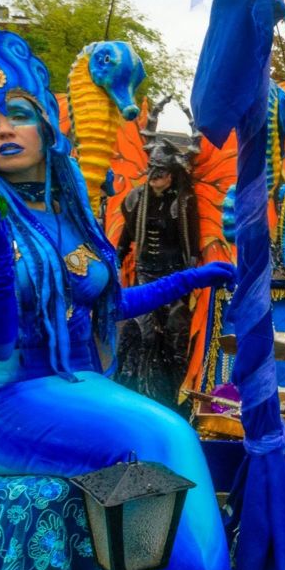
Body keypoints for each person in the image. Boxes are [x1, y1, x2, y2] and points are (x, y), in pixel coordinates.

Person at [0, 24, 236, 570]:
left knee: (172, 429)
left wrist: (195, 278)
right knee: (158, 434)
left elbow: (110, 303)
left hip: (66, 385)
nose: (5, 129)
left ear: (47, 126)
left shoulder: (69, 212)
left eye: (19, 113)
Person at [115, 136, 200, 405]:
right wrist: (117, 254)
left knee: (175, 331)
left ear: (172, 176)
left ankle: (172, 390)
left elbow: (192, 240)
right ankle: (134, 386)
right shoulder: (137, 198)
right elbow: (128, 232)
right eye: (152, 172)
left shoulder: (184, 201)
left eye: (160, 174)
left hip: (174, 275)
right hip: (146, 272)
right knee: (139, 328)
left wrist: (191, 272)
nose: (154, 178)